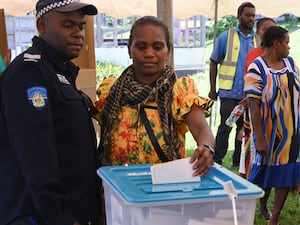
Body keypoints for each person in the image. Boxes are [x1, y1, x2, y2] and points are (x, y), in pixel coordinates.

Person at [94, 15, 215, 223]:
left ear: (168, 51)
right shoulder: (112, 92)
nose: (149, 53)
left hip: (165, 198)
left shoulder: (179, 91)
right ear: (129, 50)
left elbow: (203, 130)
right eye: (141, 46)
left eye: (157, 46)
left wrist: (206, 148)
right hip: (118, 195)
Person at [0, 0, 101, 225]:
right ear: (42, 26)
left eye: (81, 26)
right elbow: (36, 154)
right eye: (68, 25)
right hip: (40, 216)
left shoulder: (59, 71)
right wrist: (61, 217)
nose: (78, 33)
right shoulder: (29, 73)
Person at [245, 26, 300, 225]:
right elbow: (253, 105)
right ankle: (259, 204)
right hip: (267, 133)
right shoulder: (257, 67)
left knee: (285, 173)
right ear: (276, 43)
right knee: (263, 172)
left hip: (292, 133)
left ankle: (274, 218)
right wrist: (259, 137)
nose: (289, 46)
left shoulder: (291, 63)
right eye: (286, 42)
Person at [209, 2, 257, 167]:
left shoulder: (258, 40)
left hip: (250, 95)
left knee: (244, 130)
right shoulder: (226, 36)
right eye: (247, 15)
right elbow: (214, 62)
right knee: (225, 128)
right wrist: (212, 89)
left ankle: (238, 162)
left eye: (253, 15)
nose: (251, 18)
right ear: (239, 16)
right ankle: (217, 160)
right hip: (229, 93)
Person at [238, 17, 276, 220]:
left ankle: (262, 204)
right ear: (258, 32)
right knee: (252, 159)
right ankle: (245, 202)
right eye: (265, 29)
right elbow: (250, 88)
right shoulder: (253, 55)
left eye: (273, 28)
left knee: (269, 162)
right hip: (254, 116)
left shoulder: (283, 57)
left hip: (275, 118)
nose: (269, 32)